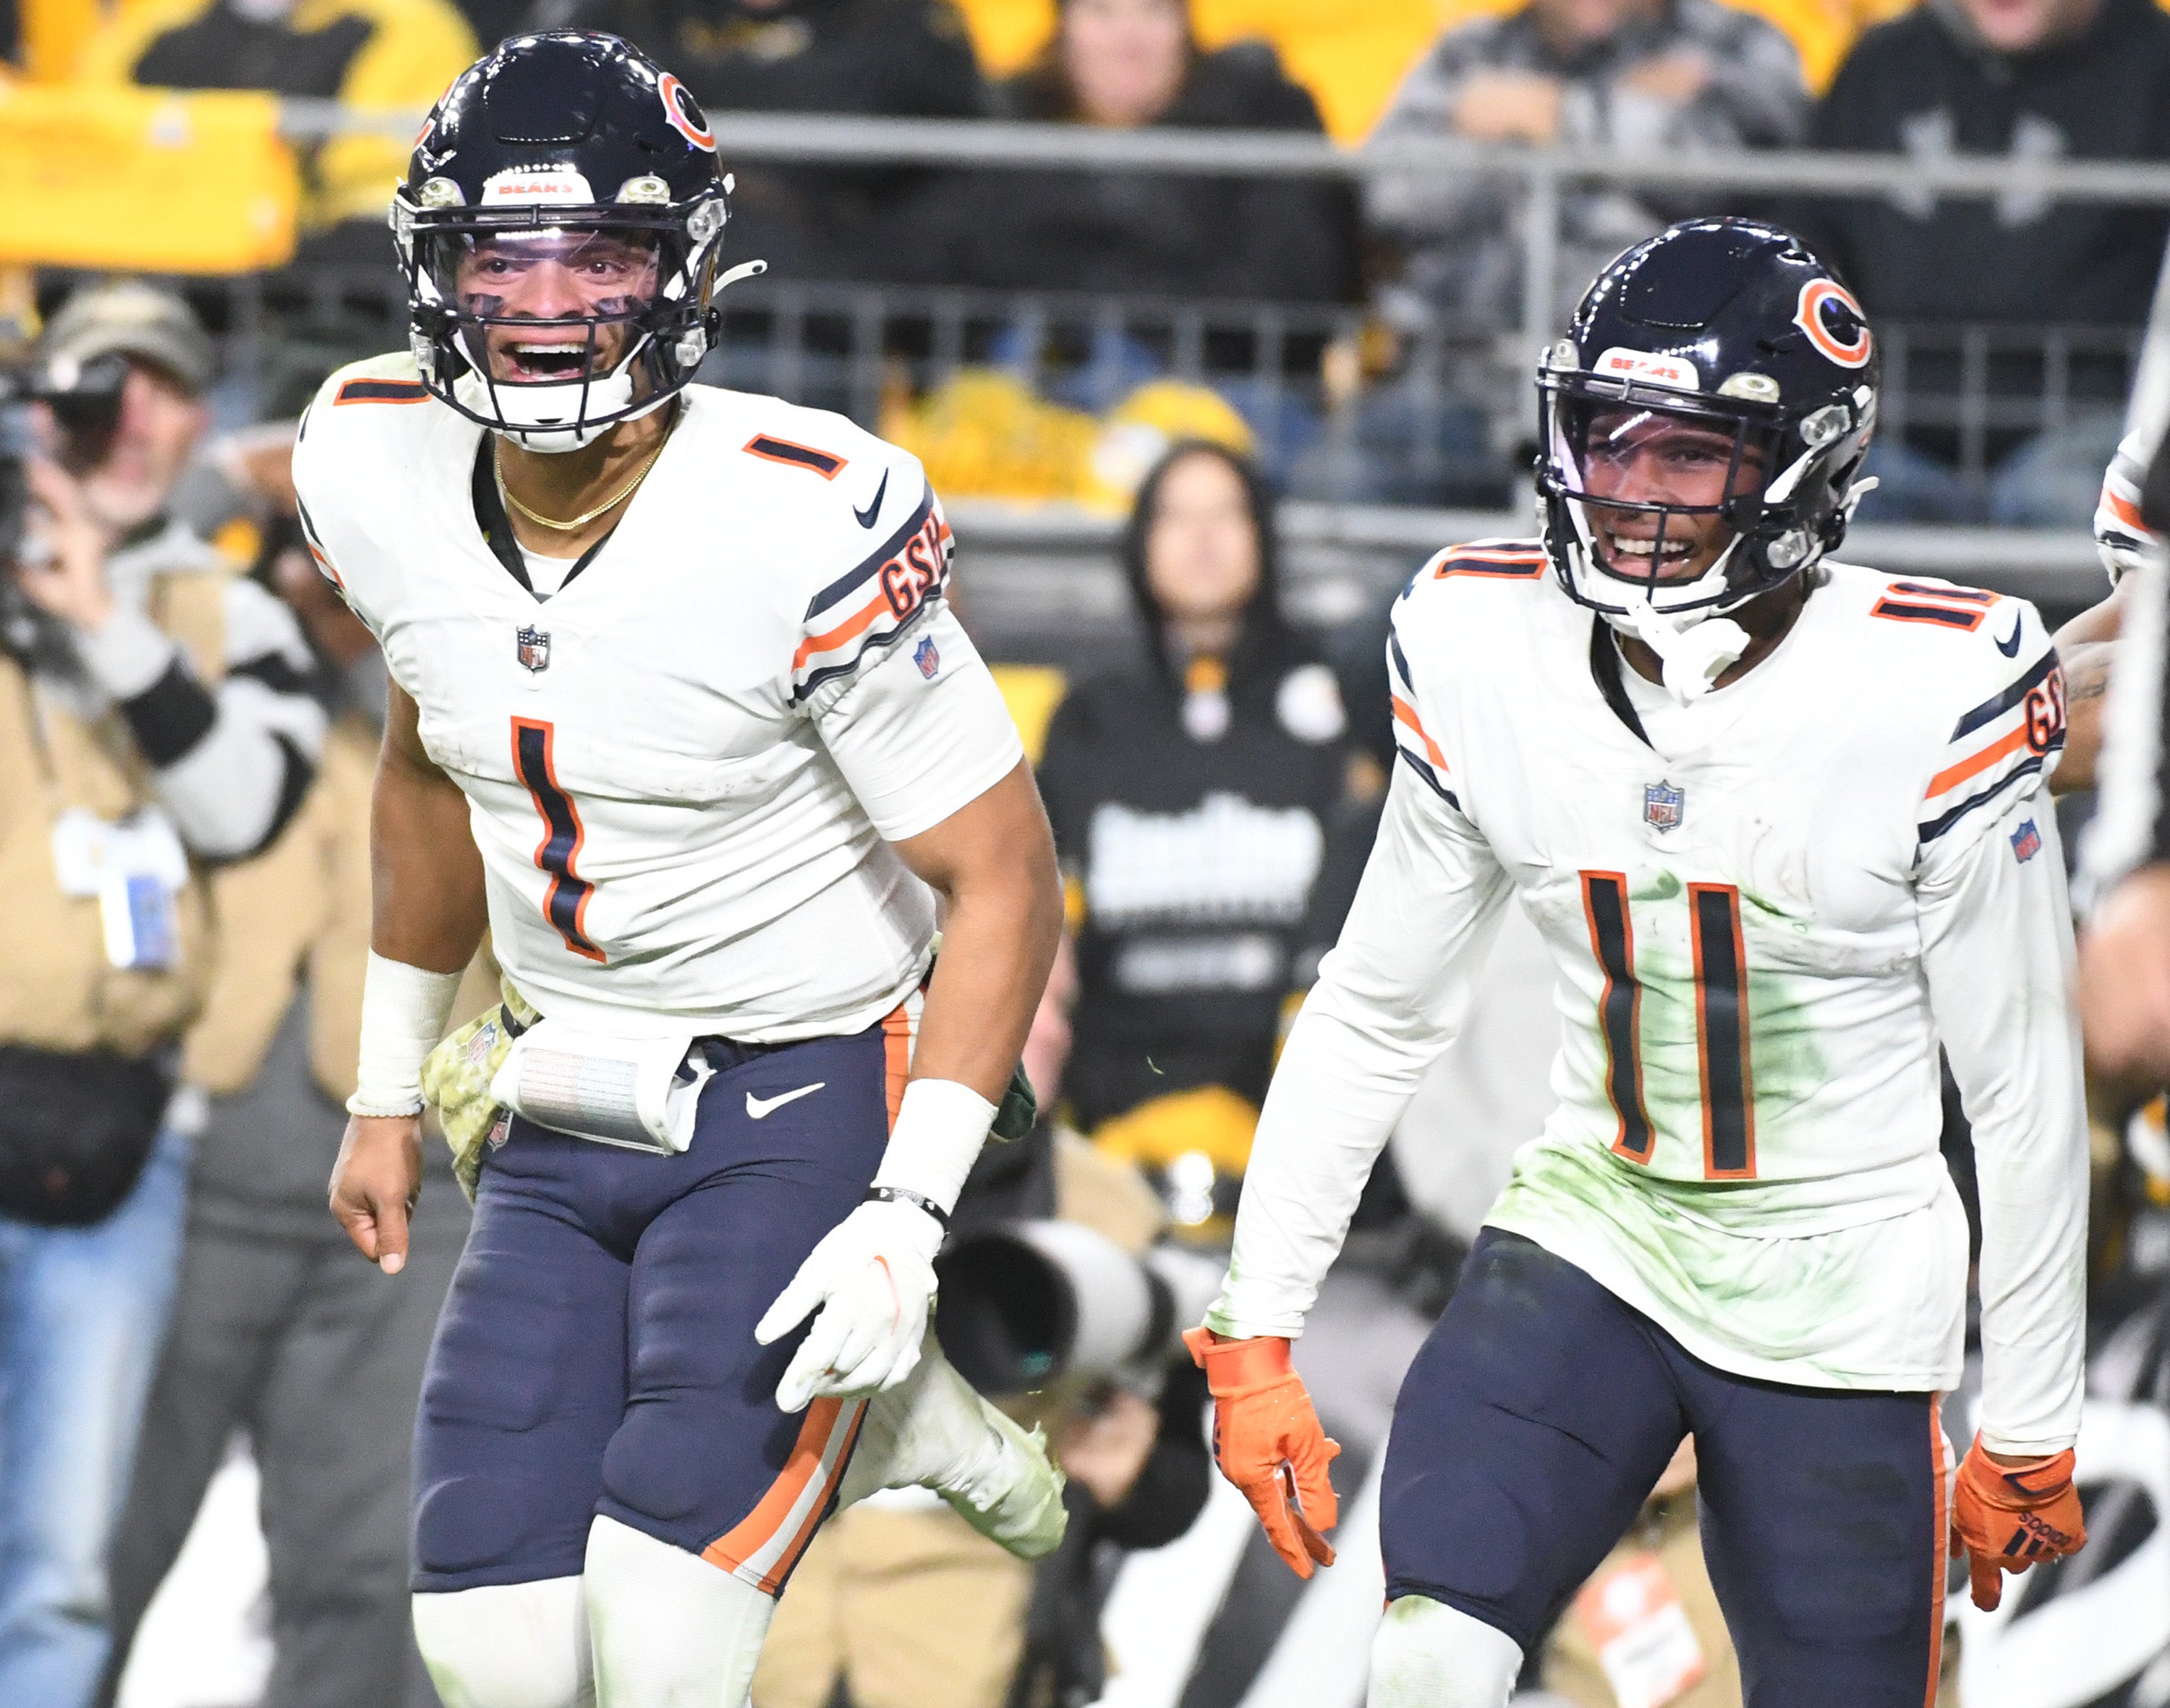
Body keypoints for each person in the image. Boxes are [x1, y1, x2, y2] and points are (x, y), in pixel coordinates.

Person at [1186, 219, 2091, 1705]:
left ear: (1803, 467)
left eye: (1692, 456)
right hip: (1594, 1227)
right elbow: (1374, 1008)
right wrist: (1255, 1319)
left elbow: (2024, 1088)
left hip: (1843, 1277)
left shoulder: (1932, 683)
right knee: (1425, 1659)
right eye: (1611, 442)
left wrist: (2034, 1408)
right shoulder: (1483, 640)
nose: (1632, 494)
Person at [292, 32, 1068, 1706]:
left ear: (684, 270)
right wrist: (376, 1082)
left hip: (806, 1069)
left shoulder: (801, 508)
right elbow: (428, 751)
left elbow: (1004, 877)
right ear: (437, 270)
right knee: (486, 1651)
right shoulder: (366, 456)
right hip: (557, 1080)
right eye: (505, 257)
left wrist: (908, 1217)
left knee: (663, 1642)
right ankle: (895, 1415)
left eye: (604, 256)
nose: (552, 303)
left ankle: (894, 1384)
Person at [93, 446, 490, 1708]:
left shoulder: (472, 647)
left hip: (400, 1201)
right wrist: (222, 480)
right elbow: (93, 586)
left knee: (372, 1572)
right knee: (88, 1546)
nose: (327, 569)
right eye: (304, 532)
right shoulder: (182, 635)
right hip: (178, 1173)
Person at [0, 281, 323, 1704]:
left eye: (166, 387)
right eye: (97, 388)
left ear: (202, 415)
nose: (131, 420)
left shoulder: (223, 608)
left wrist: (108, 629)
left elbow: (246, 800)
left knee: (66, 1556)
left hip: (113, 1141)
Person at [1034, 440, 1351, 1222]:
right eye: (1177, 517)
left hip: (1302, 1126)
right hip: (1111, 1123)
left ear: (1264, 537)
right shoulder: (1092, 718)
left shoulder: (1342, 706)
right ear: (1141, 544)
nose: (1203, 537)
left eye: (1226, 514)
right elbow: (1034, 908)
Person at [1788, 0, 2170, 525]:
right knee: (1823, 508)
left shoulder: (2156, 64)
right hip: (1891, 429)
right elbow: (1805, 251)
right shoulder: (1884, 61)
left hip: (2090, 424)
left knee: (2090, 505)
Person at [1365, 0, 1807, 337]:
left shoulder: (1738, 42)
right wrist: (1637, 112)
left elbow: (1729, 171)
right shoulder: (1470, 50)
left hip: (1677, 373)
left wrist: (1558, 114)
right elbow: (1391, 195)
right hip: (1466, 364)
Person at [936, 0, 1358, 304]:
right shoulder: (999, 132)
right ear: (1063, 31)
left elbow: (1292, 280)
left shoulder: (1261, 123)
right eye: (1102, 11)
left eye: (1155, 10)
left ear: (1186, 29)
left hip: (1220, 392)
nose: (1129, 41)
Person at [605, 0, 984, 284]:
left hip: (840, 301)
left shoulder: (901, 21)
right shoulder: (636, 13)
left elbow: (976, 156)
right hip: (648, 286)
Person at [77, 0, 478, 260]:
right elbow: (84, 140)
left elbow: (386, 183)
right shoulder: (154, 23)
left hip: (318, 280)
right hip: (155, 255)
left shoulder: (405, 26)